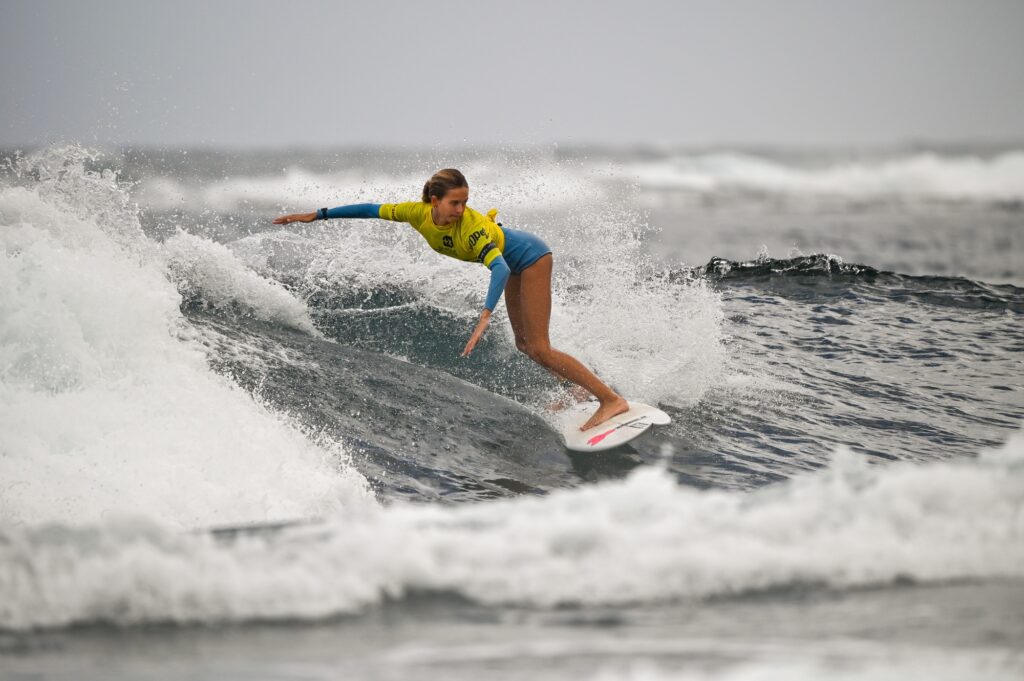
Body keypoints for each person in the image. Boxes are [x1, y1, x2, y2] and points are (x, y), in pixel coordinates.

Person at [273, 168, 628, 430]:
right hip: (518, 262)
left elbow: (500, 268)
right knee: (525, 346)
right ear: (434, 202)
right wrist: (317, 215)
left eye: (465, 202)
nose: (461, 209)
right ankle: (574, 388)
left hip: (531, 259)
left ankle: (610, 400)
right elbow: (370, 209)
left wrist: (485, 316)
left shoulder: (471, 228)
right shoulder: (416, 213)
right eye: (455, 203)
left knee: (540, 346)